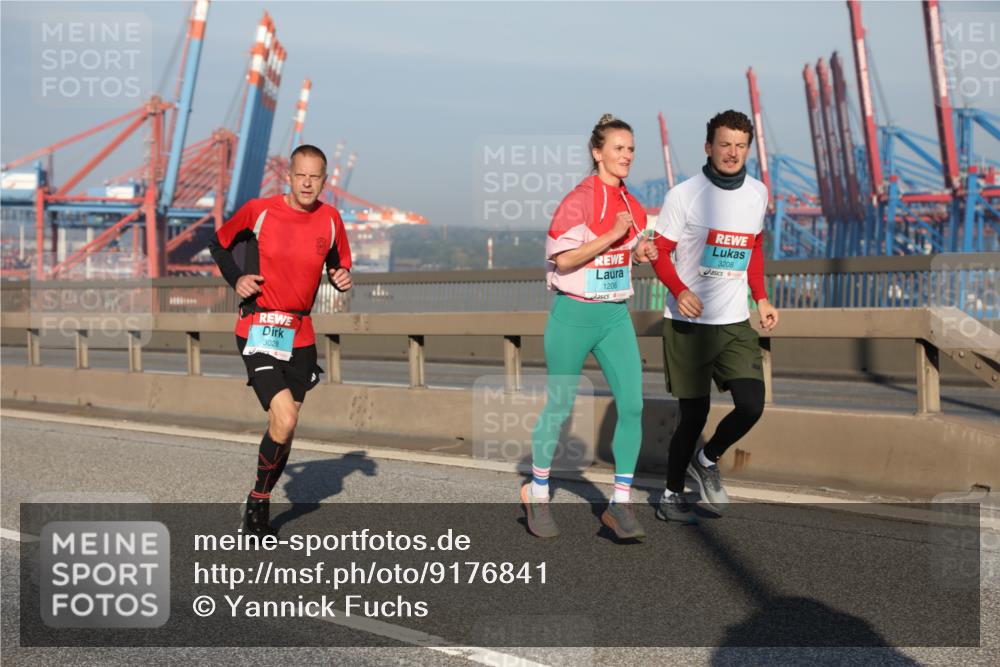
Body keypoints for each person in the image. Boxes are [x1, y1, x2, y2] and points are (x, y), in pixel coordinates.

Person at [521, 114, 658, 540]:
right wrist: (612, 235)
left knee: (632, 406)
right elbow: (562, 261)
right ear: (598, 153)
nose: (627, 156)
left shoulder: (633, 205)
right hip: (573, 316)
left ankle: (620, 504)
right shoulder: (578, 200)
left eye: (631, 149)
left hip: (614, 315)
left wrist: (640, 252)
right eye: (619, 148)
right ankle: (537, 493)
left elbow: (627, 249)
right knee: (559, 407)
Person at [209, 144, 353, 536]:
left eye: (315, 177)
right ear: (288, 176)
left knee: (285, 427)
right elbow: (218, 242)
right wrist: (235, 278)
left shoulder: (331, 219)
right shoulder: (259, 210)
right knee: (285, 417)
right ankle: (259, 503)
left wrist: (342, 278)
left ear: (324, 181)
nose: (307, 183)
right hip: (258, 327)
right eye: (300, 175)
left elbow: (339, 265)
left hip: (301, 333)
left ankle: (258, 497)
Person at [650, 110, 779, 523]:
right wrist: (680, 290)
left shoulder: (757, 193)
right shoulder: (684, 195)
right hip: (689, 324)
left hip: (733, 320)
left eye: (741, 146)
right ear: (709, 146)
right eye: (725, 144)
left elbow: (753, 247)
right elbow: (660, 253)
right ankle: (670, 495)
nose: (733, 153)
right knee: (695, 415)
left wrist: (761, 298)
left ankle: (707, 460)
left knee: (752, 404)